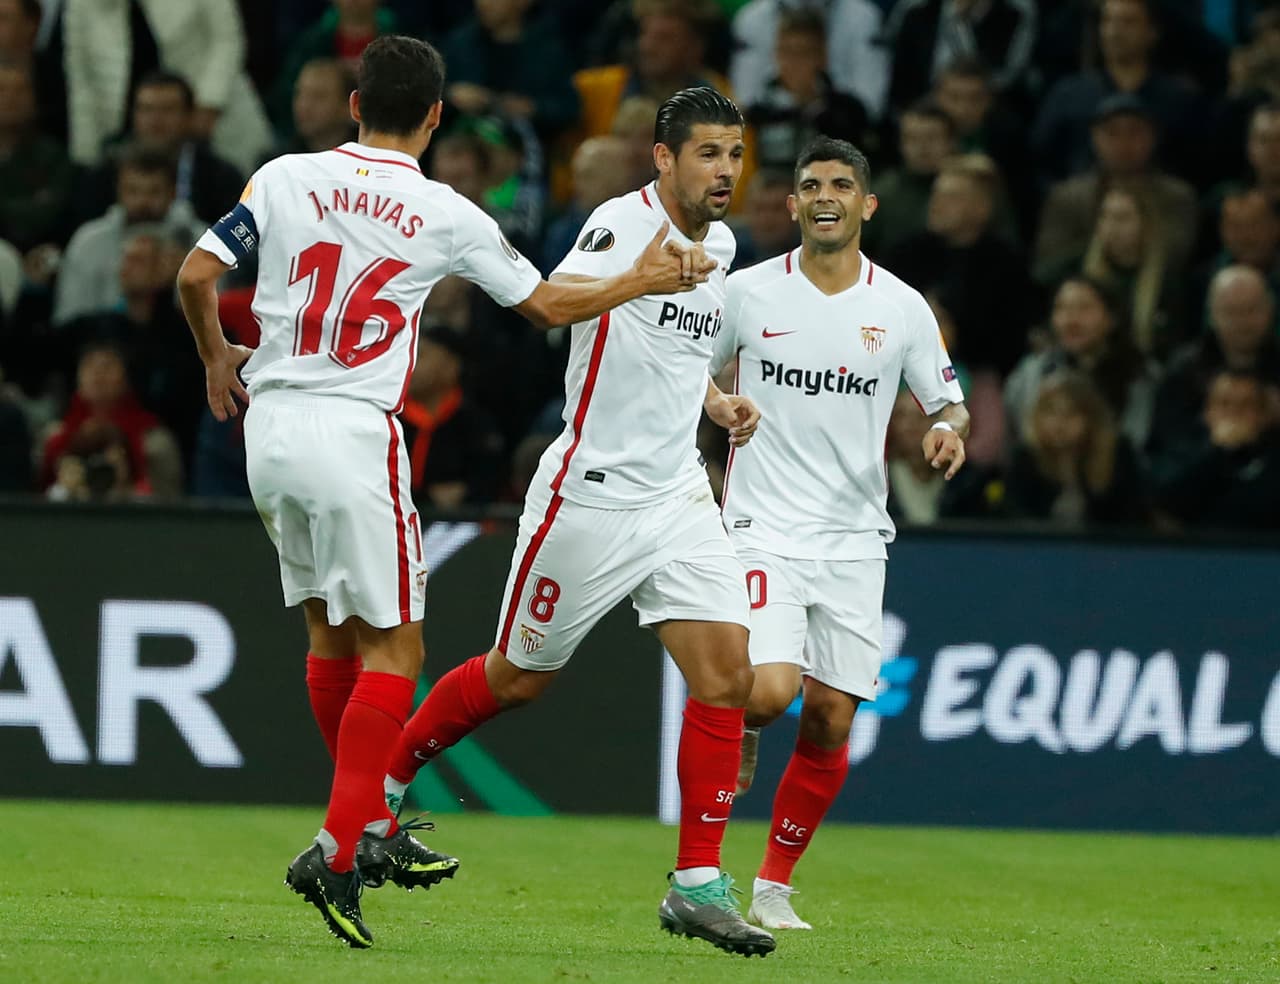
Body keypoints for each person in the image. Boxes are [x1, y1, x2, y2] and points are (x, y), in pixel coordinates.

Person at [175, 35, 714, 950]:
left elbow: (195, 275)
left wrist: (216, 358)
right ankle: (338, 846)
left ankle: (368, 828)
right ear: (433, 118)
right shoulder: (445, 210)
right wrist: (642, 278)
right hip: (353, 430)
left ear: (353, 105)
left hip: (269, 428)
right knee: (397, 648)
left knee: (328, 633)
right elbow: (545, 307)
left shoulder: (281, 177)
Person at [381, 86, 778, 958]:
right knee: (518, 678)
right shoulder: (619, 223)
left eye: (736, 155)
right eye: (709, 154)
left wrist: (718, 400)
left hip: (676, 493)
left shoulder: (723, 243)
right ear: (664, 158)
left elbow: (675, 344)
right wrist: (643, 274)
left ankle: (697, 885)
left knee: (726, 677)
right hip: (588, 494)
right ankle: (380, 789)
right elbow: (557, 301)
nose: (725, 171)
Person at [710, 135, 967, 931]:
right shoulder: (748, 294)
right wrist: (721, 405)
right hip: (762, 525)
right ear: (791, 205)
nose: (826, 196)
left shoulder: (899, 308)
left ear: (866, 204)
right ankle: (746, 722)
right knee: (772, 689)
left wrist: (948, 430)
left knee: (830, 717)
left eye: (842, 184)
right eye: (812, 184)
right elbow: (691, 371)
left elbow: (947, 401)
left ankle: (774, 887)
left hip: (856, 537)